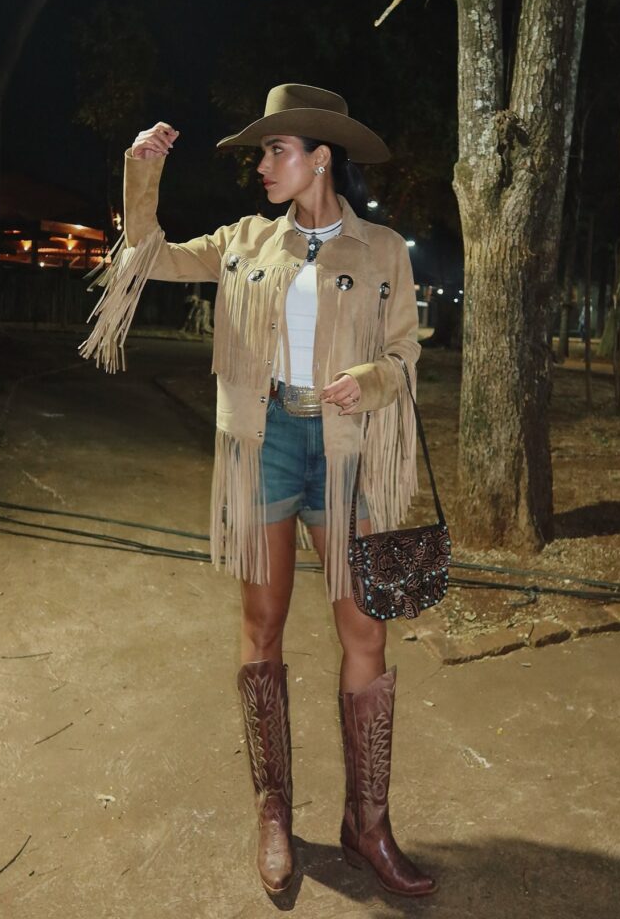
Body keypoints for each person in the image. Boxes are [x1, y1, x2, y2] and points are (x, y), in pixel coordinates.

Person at [81, 84, 436, 898]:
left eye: (276, 151)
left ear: (320, 156)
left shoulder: (383, 249)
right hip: (265, 443)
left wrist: (372, 379)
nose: (263, 167)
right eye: (262, 153)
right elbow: (148, 255)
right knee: (263, 623)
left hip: (345, 452)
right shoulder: (244, 241)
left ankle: (367, 823)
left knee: (365, 635)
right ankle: (273, 813)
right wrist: (142, 174)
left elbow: (407, 354)